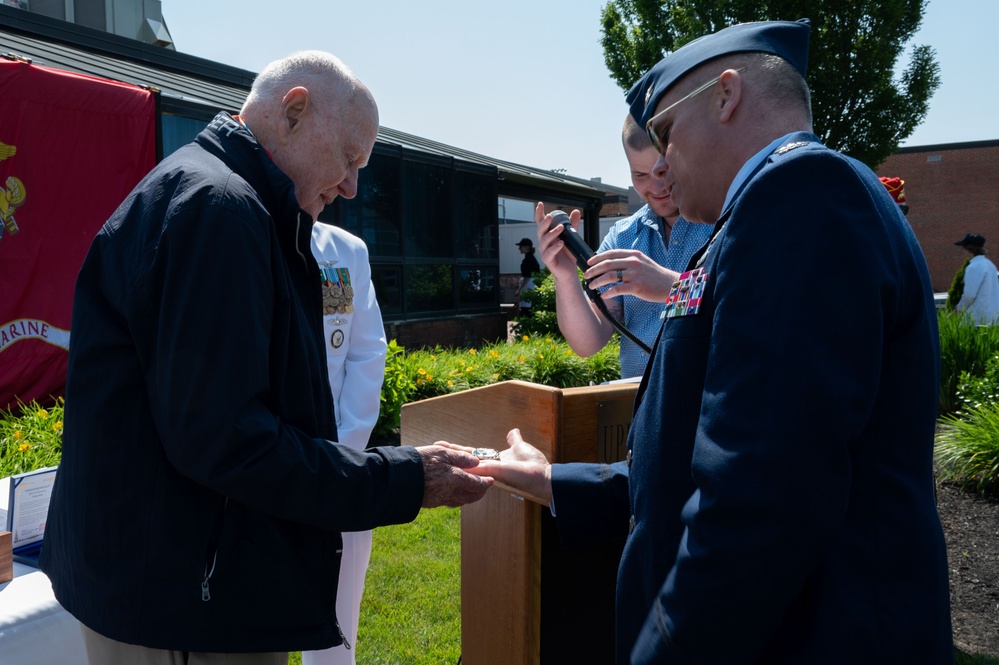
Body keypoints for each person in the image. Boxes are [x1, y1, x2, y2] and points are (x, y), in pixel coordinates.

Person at [464, 19, 953, 664]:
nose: (660, 165)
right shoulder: (762, 212)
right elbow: (701, 453)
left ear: (727, 96)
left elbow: (761, 492)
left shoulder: (798, 197)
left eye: (665, 132)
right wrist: (555, 481)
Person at [39, 50, 492, 664]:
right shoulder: (218, 209)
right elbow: (225, 441)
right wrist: (403, 477)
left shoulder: (219, 197)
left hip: (174, 585)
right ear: (295, 111)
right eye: (350, 159)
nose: (354, 187)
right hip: (183, 605)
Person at [535, 115, 712, 378]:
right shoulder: (622, 236)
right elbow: (588, 343)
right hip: (638, 409)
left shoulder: (724, 218)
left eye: (663, 171)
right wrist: (565, 277)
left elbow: (743, 302)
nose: (656, 187)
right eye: (640, 175)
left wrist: (672, 288)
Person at [304, 221, 386, 665]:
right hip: (258, 462)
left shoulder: (345, 250)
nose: (351, 187)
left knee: (335, 639)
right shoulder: (241, 235)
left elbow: (368, 353)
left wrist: (342, 450)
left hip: (338, 460)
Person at [953, 232, 999, 324]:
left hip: (977, 319)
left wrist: (958, 309)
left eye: (963, 247)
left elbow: (969, 295)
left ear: (969, 249)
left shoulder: (974, 267)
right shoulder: (990, 265)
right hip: (994, 319)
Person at [515, 236, 541, 316]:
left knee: (526, 310)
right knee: (526, 309)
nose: (519, 248)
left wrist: (520, 290)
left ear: (527, 247)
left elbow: (528, 276)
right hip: (530, 285)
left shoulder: (529, 259)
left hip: (529, 286)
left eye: (521, 246)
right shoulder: (531, 258)